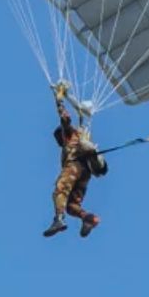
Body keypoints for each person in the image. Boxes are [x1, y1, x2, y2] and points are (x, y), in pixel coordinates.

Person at [43, 82, 105, 238]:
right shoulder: (81, 135)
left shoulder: (69, 135)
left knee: (60, 190)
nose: (58, 142)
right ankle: (88, 218)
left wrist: (58, 100)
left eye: (58, 138)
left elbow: (65, 119)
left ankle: (58, 219)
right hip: (85, 173)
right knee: (71, 206)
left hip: (75, 168)